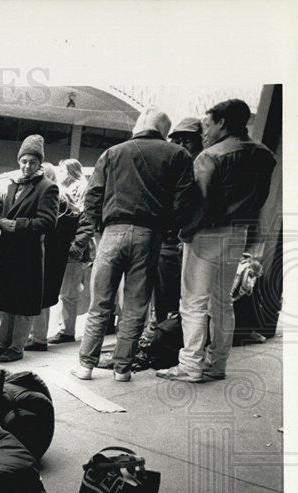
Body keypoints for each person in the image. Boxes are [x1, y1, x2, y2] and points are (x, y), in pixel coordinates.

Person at [70, 109, 199, 382]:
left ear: (139, 126)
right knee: (135, 306)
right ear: (164, 130)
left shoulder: (112, 153)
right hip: (149, 235)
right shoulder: (178, 155)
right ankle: (122, 368)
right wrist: (169, 230)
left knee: (100, 304)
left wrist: (92, 233)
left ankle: (85, 365)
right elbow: (183, 201)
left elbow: (93, 197)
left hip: (112, 232)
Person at [158, 99, 276, 383]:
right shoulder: (265, 155)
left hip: (206, 233)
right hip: (239, 233)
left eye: (208, 125)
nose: (204, 133)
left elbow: (199, 203)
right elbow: (261, 200)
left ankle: (190, 365)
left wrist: (185, 232)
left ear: (222, 123)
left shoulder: (209, 156)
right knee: (223, 302)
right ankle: (217, 363)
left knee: (193, 301)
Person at [0, 134, 59, 363]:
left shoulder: (48, 188)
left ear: (40, 164)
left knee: (22, 304)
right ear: (19, 161)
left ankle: (16, 348)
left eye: (33, 162)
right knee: (6, 301)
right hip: (8, 252)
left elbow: (48, 222)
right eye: (24, 161)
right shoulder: (12, 185)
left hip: (28, 255)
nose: (27, 166)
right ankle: (3, 343)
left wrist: (16, 225)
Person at [148, 118, 204, 325]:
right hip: (169, 239)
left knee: (190, 300)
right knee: (164, 298)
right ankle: (163, 336)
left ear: (200, 141)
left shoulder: (203, 165)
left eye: (187, 140)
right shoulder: (174, 165)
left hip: (192, 239)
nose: (181, 145)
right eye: (177, 140)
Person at [25, 162, 82, 351]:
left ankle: (38, 338)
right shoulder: (64, 196)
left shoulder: (53, 196)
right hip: (59, 253)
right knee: (52, 295)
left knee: (41, 294)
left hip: (48, 252)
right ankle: (39, 336)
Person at [46, 159, 91, 345]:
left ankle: (67, 331)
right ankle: (65, 329)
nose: (61, 173)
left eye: (63, 170)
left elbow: (83, 219)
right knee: (67, 291)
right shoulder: (69, 189)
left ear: (71, 171)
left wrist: (78, 245)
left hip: (73, 248)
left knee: (68, 292)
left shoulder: (77, 189)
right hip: (72, 247)